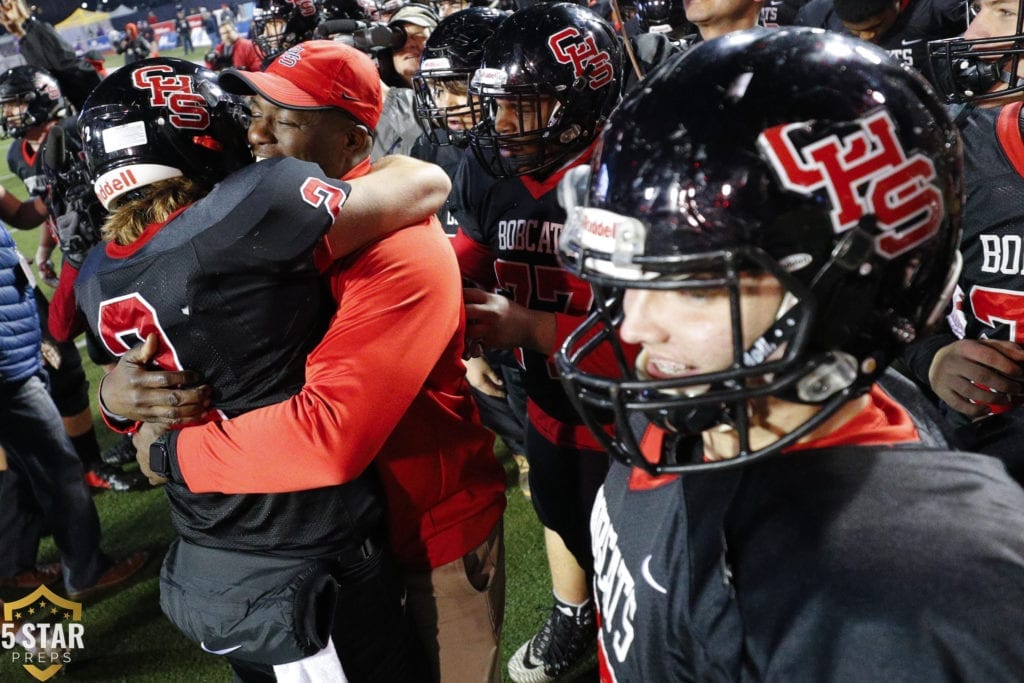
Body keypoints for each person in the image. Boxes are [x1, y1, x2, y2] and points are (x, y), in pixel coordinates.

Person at [554, 26, 1024, 680]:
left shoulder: (920, 584)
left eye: (692, 287)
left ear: (851, 290)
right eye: (634, 278)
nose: (636, 327)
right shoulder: (691, 395)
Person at [99, 43, 508, 683]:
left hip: (426, 526)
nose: (255, 135)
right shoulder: (248, 232)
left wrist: (167, 454)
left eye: (285, 120)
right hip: (333, 536)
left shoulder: (397, 246)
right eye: (254, 113)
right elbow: (194, 358)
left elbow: (327, 438)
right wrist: (120, 400)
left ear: (351, 137)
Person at [452, 5, 623, 681]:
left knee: (643, 572)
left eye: (524, 107)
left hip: (630, 420)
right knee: (562, 518)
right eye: (498, 106)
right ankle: (580, 618)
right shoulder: (490, 170)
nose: (502, 125)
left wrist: (529, 327)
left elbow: (655, 329)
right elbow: (466, 258)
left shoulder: (628, 172)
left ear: (580, 99)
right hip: (549, 410)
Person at [0, 65, 145, 492]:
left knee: (132, 341)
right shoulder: (17, 154)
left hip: (115, 251)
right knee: (103, 352)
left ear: (40, 98)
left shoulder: (75, 130)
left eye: (14, 104)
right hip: (77, 259)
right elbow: (43, 207)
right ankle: (135, 432)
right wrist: (46, 248)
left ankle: (152, 431)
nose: (8, 114)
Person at [902, 0, 1024, 481]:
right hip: (985, 472)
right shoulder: (951, 152)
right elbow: (883, 305)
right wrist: (932, 359)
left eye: (1003, 11)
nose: (973, 33)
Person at [0, 223, 148, 600]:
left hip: (18, 355)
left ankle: (14, 566)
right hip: (9, 371)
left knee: (23, 466)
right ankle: (86, 571)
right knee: (60, 468)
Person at [795, 0, 965, 76]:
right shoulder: (817, 14)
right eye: (854, 31)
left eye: (874, 26)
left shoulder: (940, 6)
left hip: (941, 107)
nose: (866, 37)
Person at [0, 0, 101, 110]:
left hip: (87, 99)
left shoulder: (39, 30)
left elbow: (65, 65)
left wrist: (27, 23)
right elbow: (49, 71)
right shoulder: (26, 38)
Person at [372, 3, 439, 159]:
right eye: (399, 39)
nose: (409, 44)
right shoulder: (378, 107)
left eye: (419, 35)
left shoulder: (460, 97)